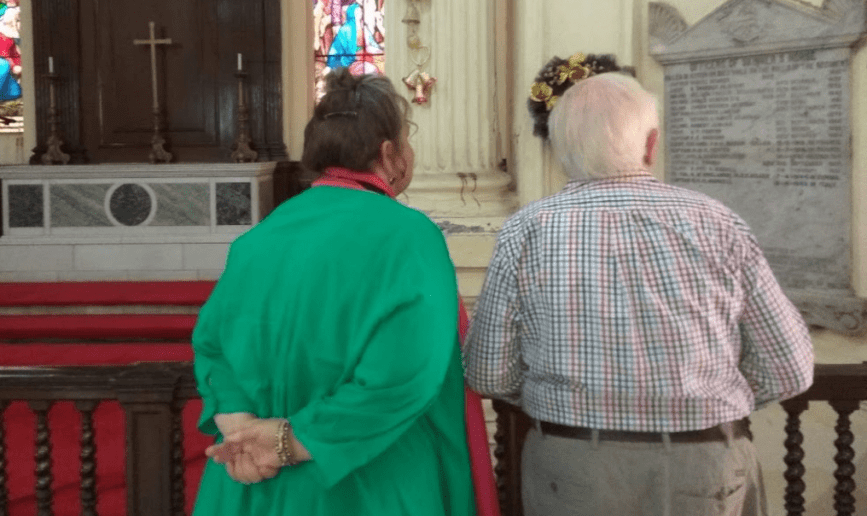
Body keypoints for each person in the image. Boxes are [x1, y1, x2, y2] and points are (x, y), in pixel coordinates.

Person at [464, 57, 814, 516]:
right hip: (702, 465)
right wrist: (702, 395)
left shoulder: (525, 231)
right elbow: (789, 367)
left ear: (559, 148)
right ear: (651, 144)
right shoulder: (717, 223)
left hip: (572, 468)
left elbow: (488, 373)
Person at [192, 69, 493, 515]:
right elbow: (401, 374)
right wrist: (285, 442)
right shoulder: (409, 236)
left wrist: (239, 428)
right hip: (368, 484)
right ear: (390, 152)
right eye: (407, 140)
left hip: (255, 488)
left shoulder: (261, 237)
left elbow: (212, 342)